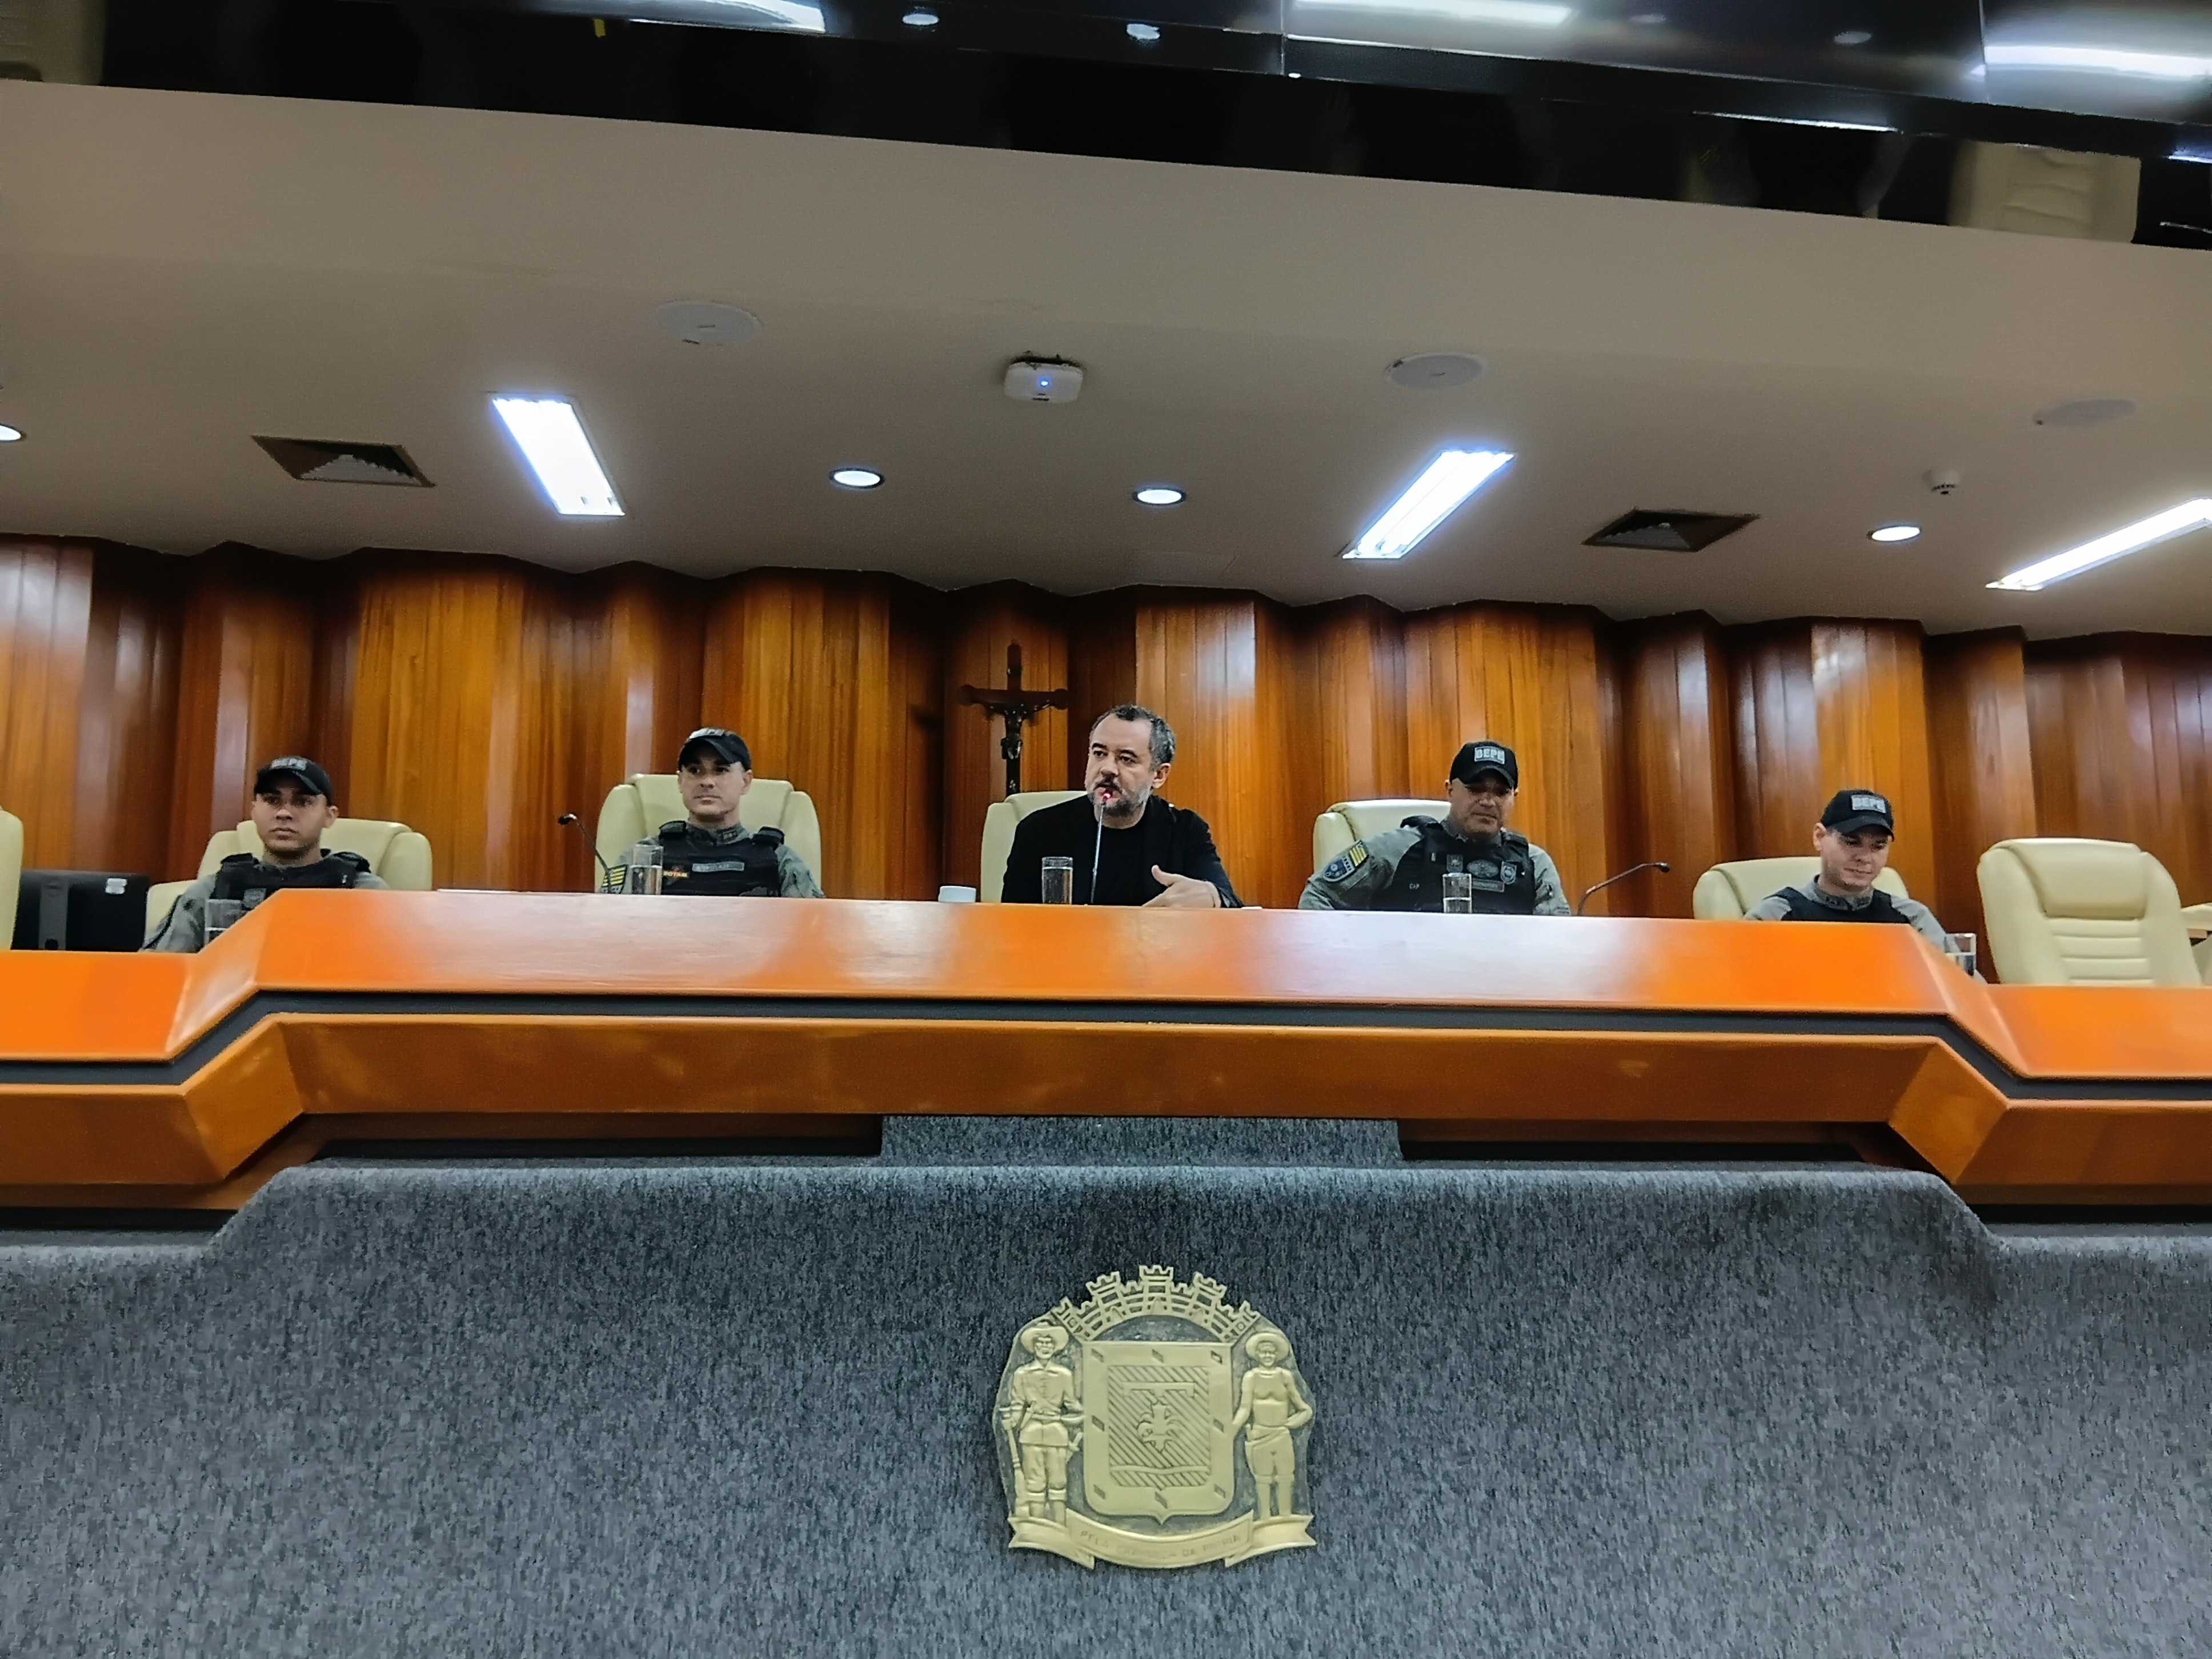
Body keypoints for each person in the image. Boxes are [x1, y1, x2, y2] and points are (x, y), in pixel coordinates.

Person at [1000, 704, 1240, 907]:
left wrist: (1212, 897)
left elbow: (1231, 904)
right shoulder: (1039, 830)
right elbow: (1009, 924)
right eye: (1099, 753)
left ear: (1159, 775)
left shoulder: (1185, 831)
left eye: (1126, 759)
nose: (1107, 769)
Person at [145, 756, 387, 952]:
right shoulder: (212, 892)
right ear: (254, 811)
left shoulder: (364, 893)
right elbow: (158, 973)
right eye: (272, 800)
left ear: (329, 816)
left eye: (302, 802)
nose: (284, 813)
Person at [1297, 740, 1569, 914]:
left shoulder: (1534, 864)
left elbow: (1558, 941)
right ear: (1450, 790)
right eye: (1475, 789)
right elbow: (1319, 895)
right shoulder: (1398, 849)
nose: (1488, 802)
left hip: (1502, 984)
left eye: (1500, 792)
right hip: (1409, 984)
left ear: (1514, 797)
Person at [638, 727, 823, 897]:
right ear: (680, 781)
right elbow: (621, 917)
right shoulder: (645, 858)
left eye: (721, 770)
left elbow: (813, 921)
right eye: (695, 770)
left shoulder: (779, 860)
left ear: (746, 782)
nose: (707, 782)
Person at [1744, 788, 1947, 944]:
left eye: (1878, 846)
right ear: (1819, 837)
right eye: (1852, 842)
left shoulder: (1913, 919)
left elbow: (1959, 982)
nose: (1865, 858)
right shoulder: (1773, 917)